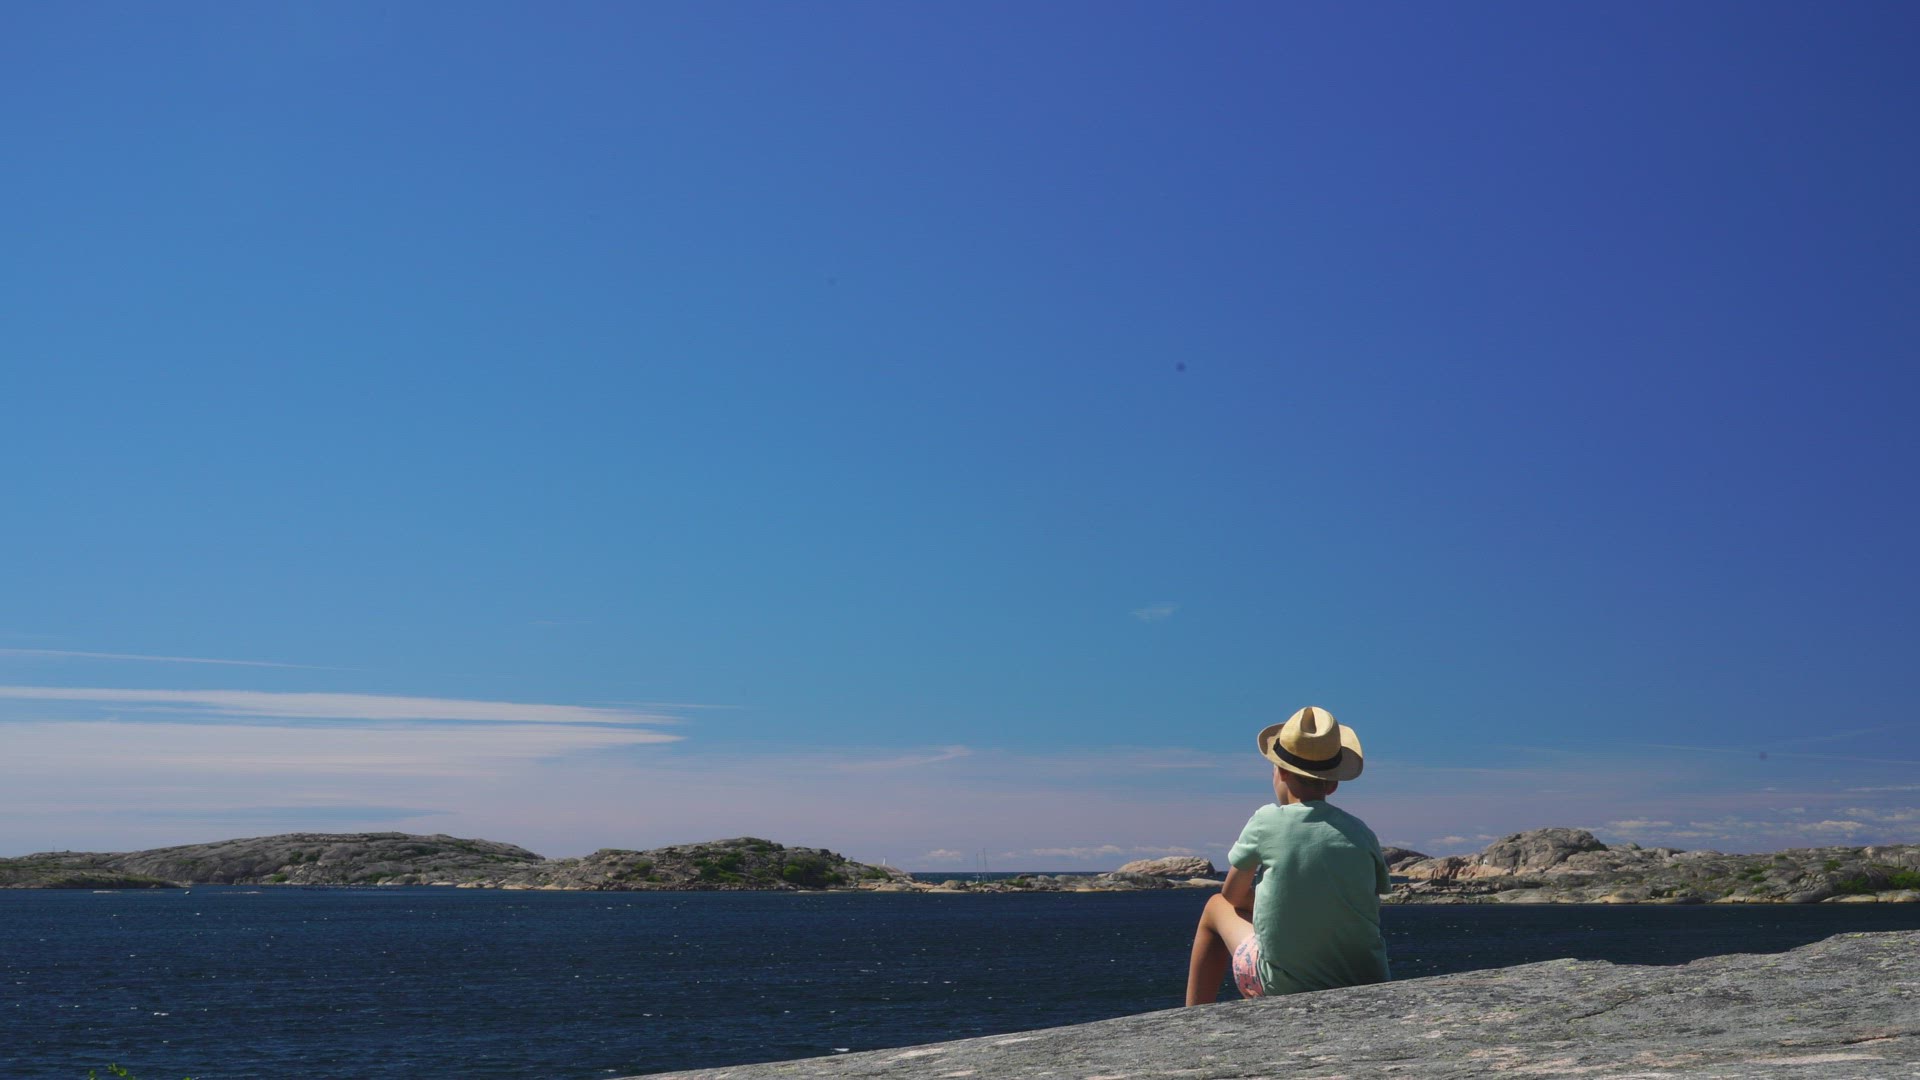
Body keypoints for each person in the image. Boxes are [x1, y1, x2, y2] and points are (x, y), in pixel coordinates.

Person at [1184, 705, 1390, 1004]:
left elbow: (1232, 896)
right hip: (1366, 979)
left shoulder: (1266, 821)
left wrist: (1272, 904)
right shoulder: (1361, 832)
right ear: (1333, 784)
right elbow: (1364, 902)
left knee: (1215, 906)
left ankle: (1193, 1015)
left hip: (1282, 986)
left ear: (1279, 772)